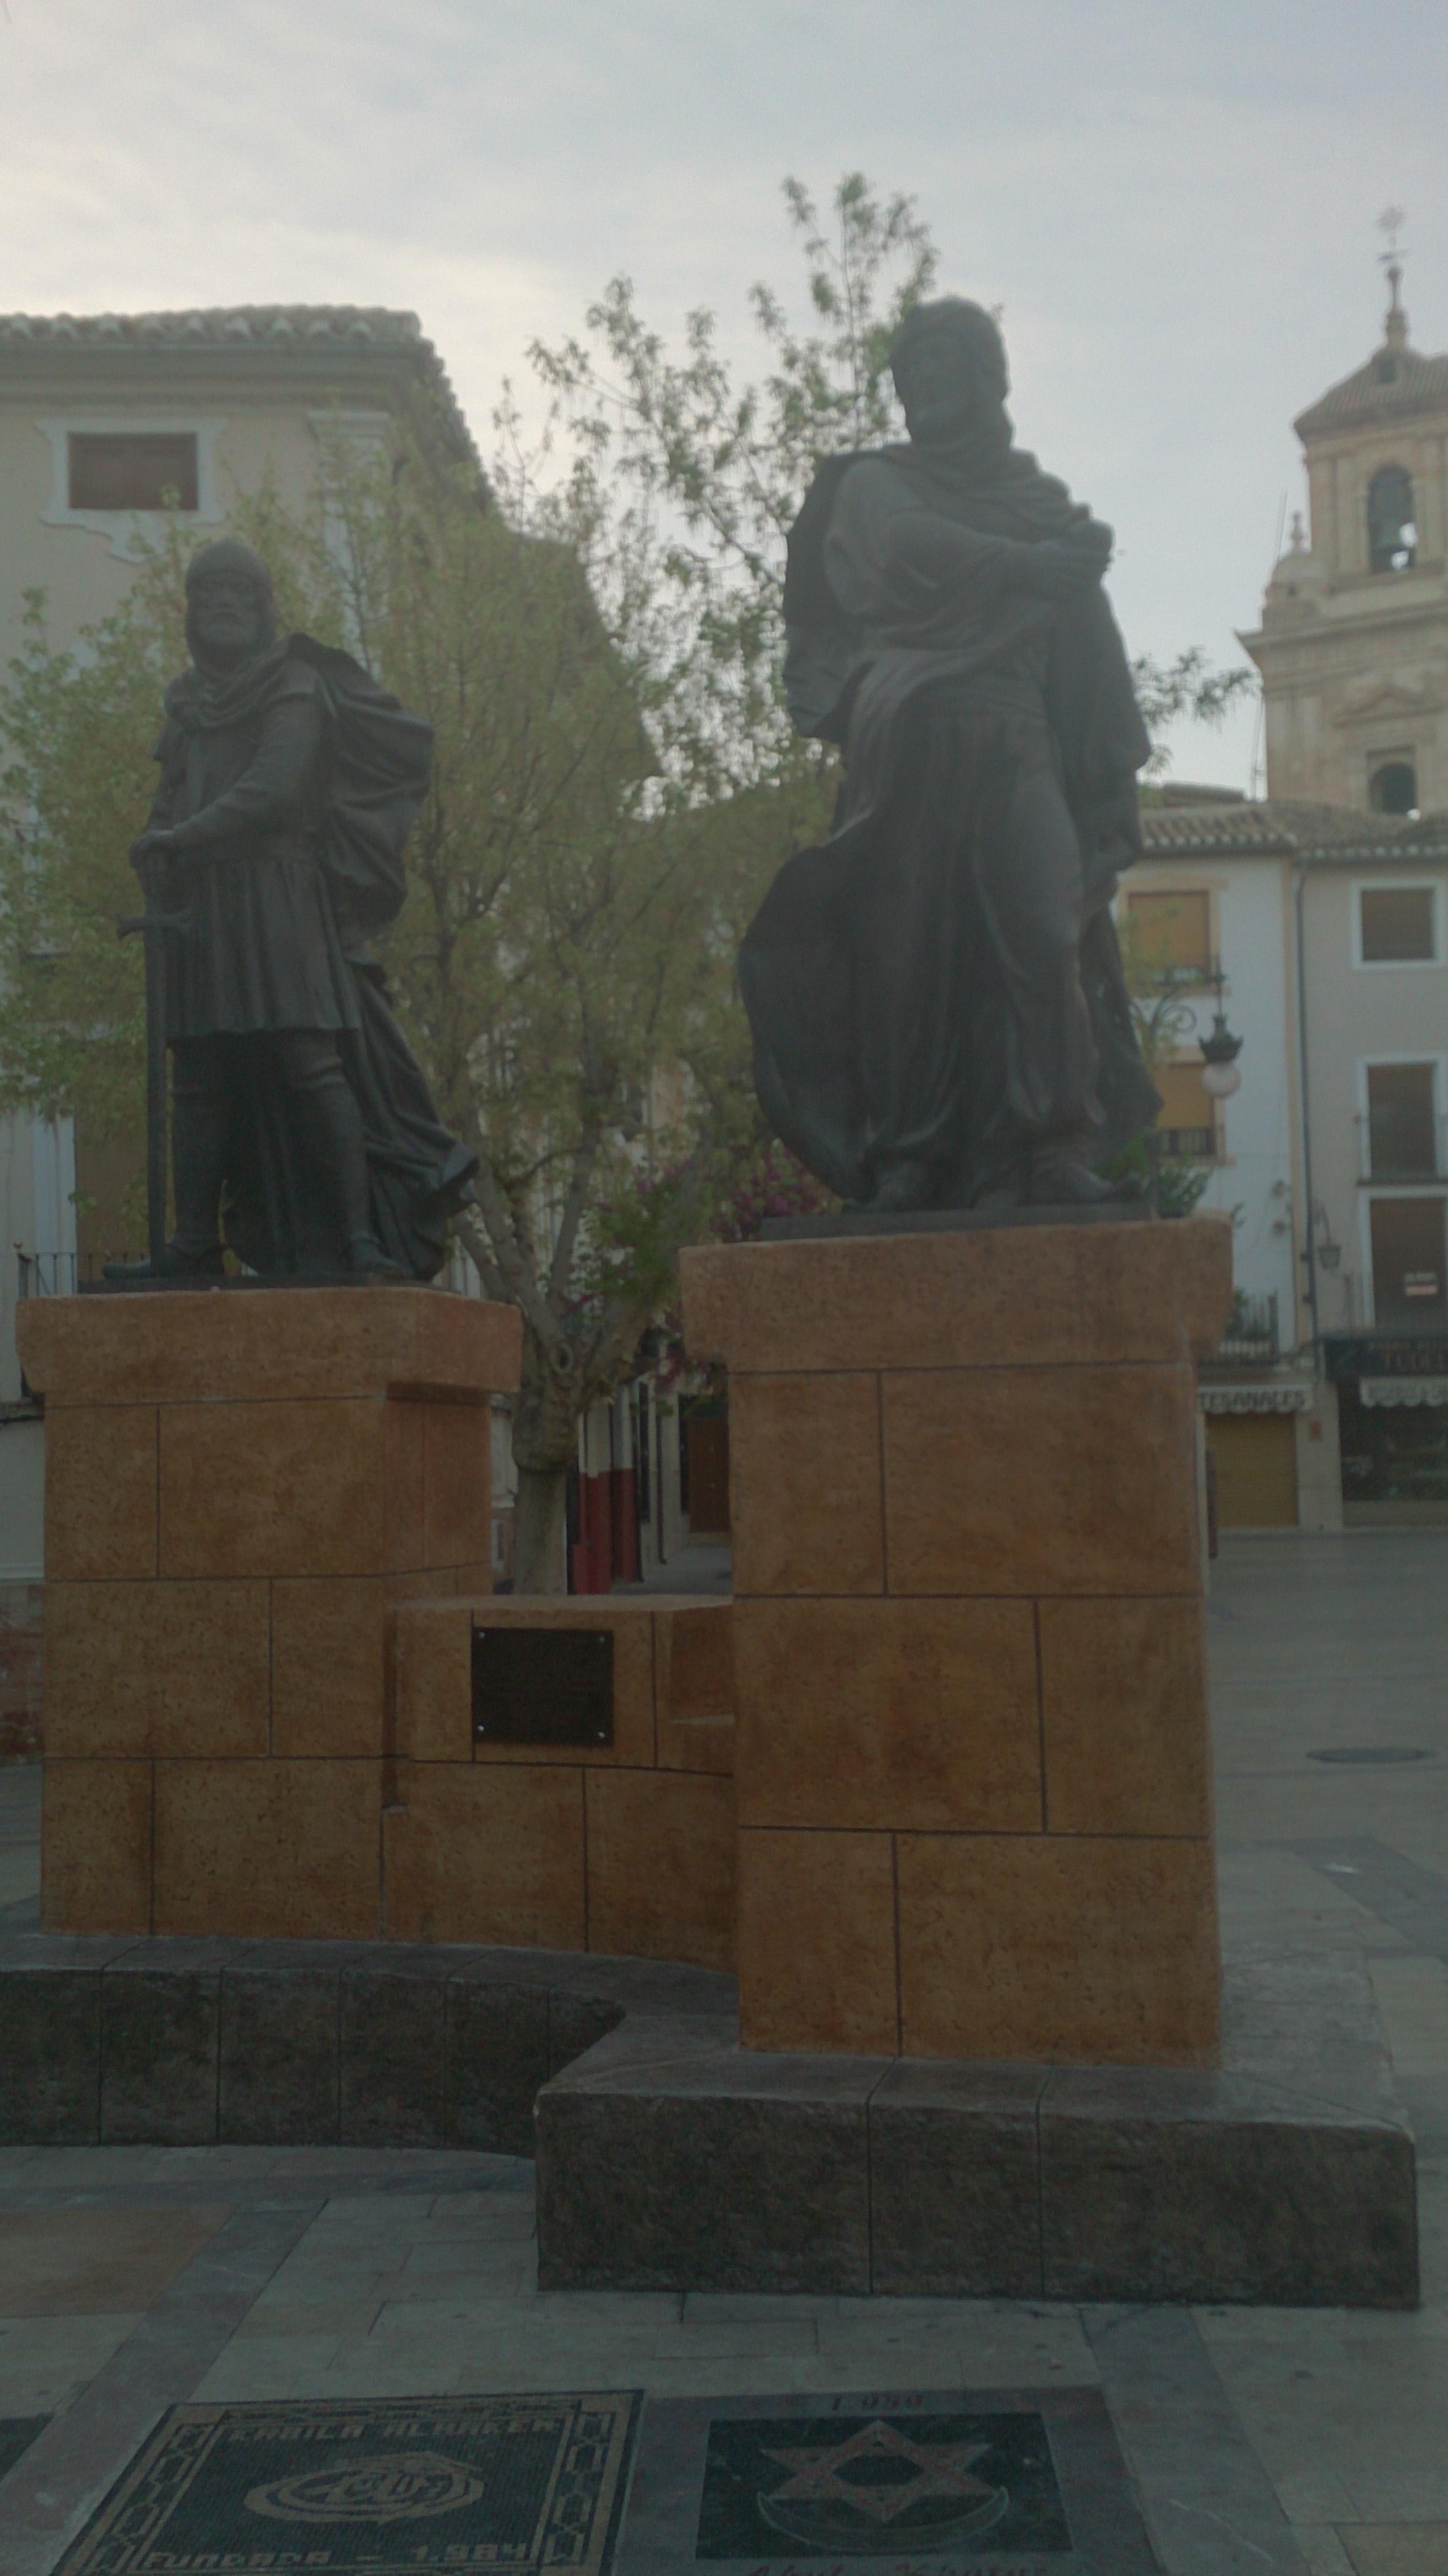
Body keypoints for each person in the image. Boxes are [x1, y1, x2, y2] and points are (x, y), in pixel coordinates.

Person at [740, 296, 1158, 1214]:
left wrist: (1105, 777)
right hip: (911, 734)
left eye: (943, 367)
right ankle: (906, 1161)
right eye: (910, 373)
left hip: (1016, 739)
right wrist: (1028, 566)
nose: (923, 386)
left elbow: (1088, 644)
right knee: (905, 955)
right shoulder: (874, 485)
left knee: (1049, 938)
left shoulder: (1039, 506)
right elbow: (901, 548)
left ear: (988, 378)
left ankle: (1050, 1147)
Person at [126, 538, 475, 1277]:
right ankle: (192, 1245)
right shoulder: (186, 706)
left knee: (307, 1062)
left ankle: (359, 1241)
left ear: (261, 609)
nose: (223, 604)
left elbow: (274, 786)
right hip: (204, 908)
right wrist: (156, 848)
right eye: (209, 593)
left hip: (279, 896)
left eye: (238, 594)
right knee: (201, 1074)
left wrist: (176, 837)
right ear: (192, 613)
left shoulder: (294, 683)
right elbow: (171, 794)